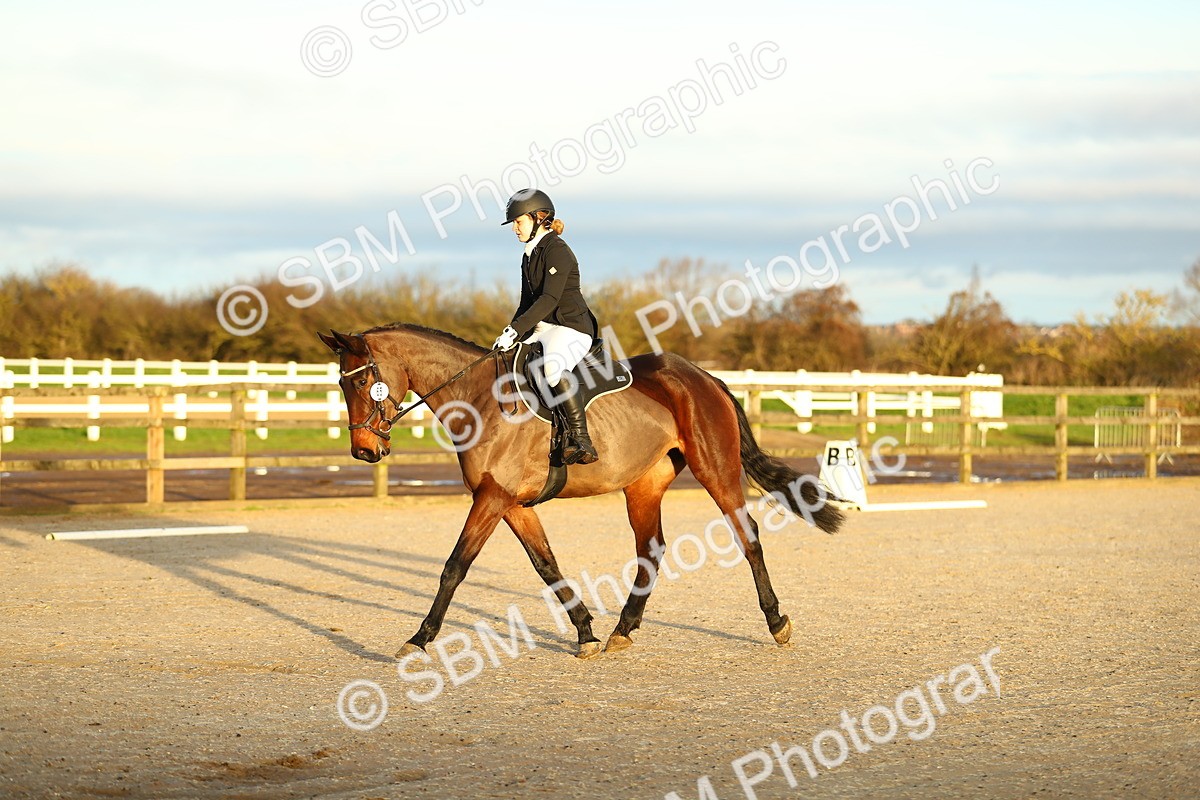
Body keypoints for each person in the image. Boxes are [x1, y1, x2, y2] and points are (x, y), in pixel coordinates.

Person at [493, 189, 600, 465]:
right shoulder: (529, 255)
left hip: (571, 327)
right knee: (510, 363)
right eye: (515, 223)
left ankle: (580, 438)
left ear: (539, 218)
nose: (515, 228)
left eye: (519, 221)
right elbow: (526, 302)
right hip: (544, 327)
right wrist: (510, 332)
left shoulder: (558, 251)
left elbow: (549, 298)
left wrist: (518, 330)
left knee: (552, 369)